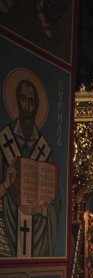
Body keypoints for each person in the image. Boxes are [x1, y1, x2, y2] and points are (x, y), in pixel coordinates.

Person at [0, 76, 61, 257]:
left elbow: (57, 202)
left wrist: (41, 210)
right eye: (23, 99)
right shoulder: (4, 141)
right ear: (17, 101)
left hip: (38, 237)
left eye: (32, 101)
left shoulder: (44, 150)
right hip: (6, 233)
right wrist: (6, 184)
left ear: (36, 106)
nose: (27, 106)